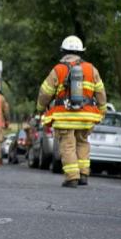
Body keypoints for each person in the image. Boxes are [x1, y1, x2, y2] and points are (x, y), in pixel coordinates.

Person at [36, 36, 107, 187]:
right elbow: (100, 91)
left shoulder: (58, 69)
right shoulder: (91, 69)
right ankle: (83, 175)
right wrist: (102, 109)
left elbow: (45, 92)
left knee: (67, 145)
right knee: (82, 143)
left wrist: (40, 108)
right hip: (86, 116)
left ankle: (71, 177)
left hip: (65, 116)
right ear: (80, 52)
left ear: (63, 51)